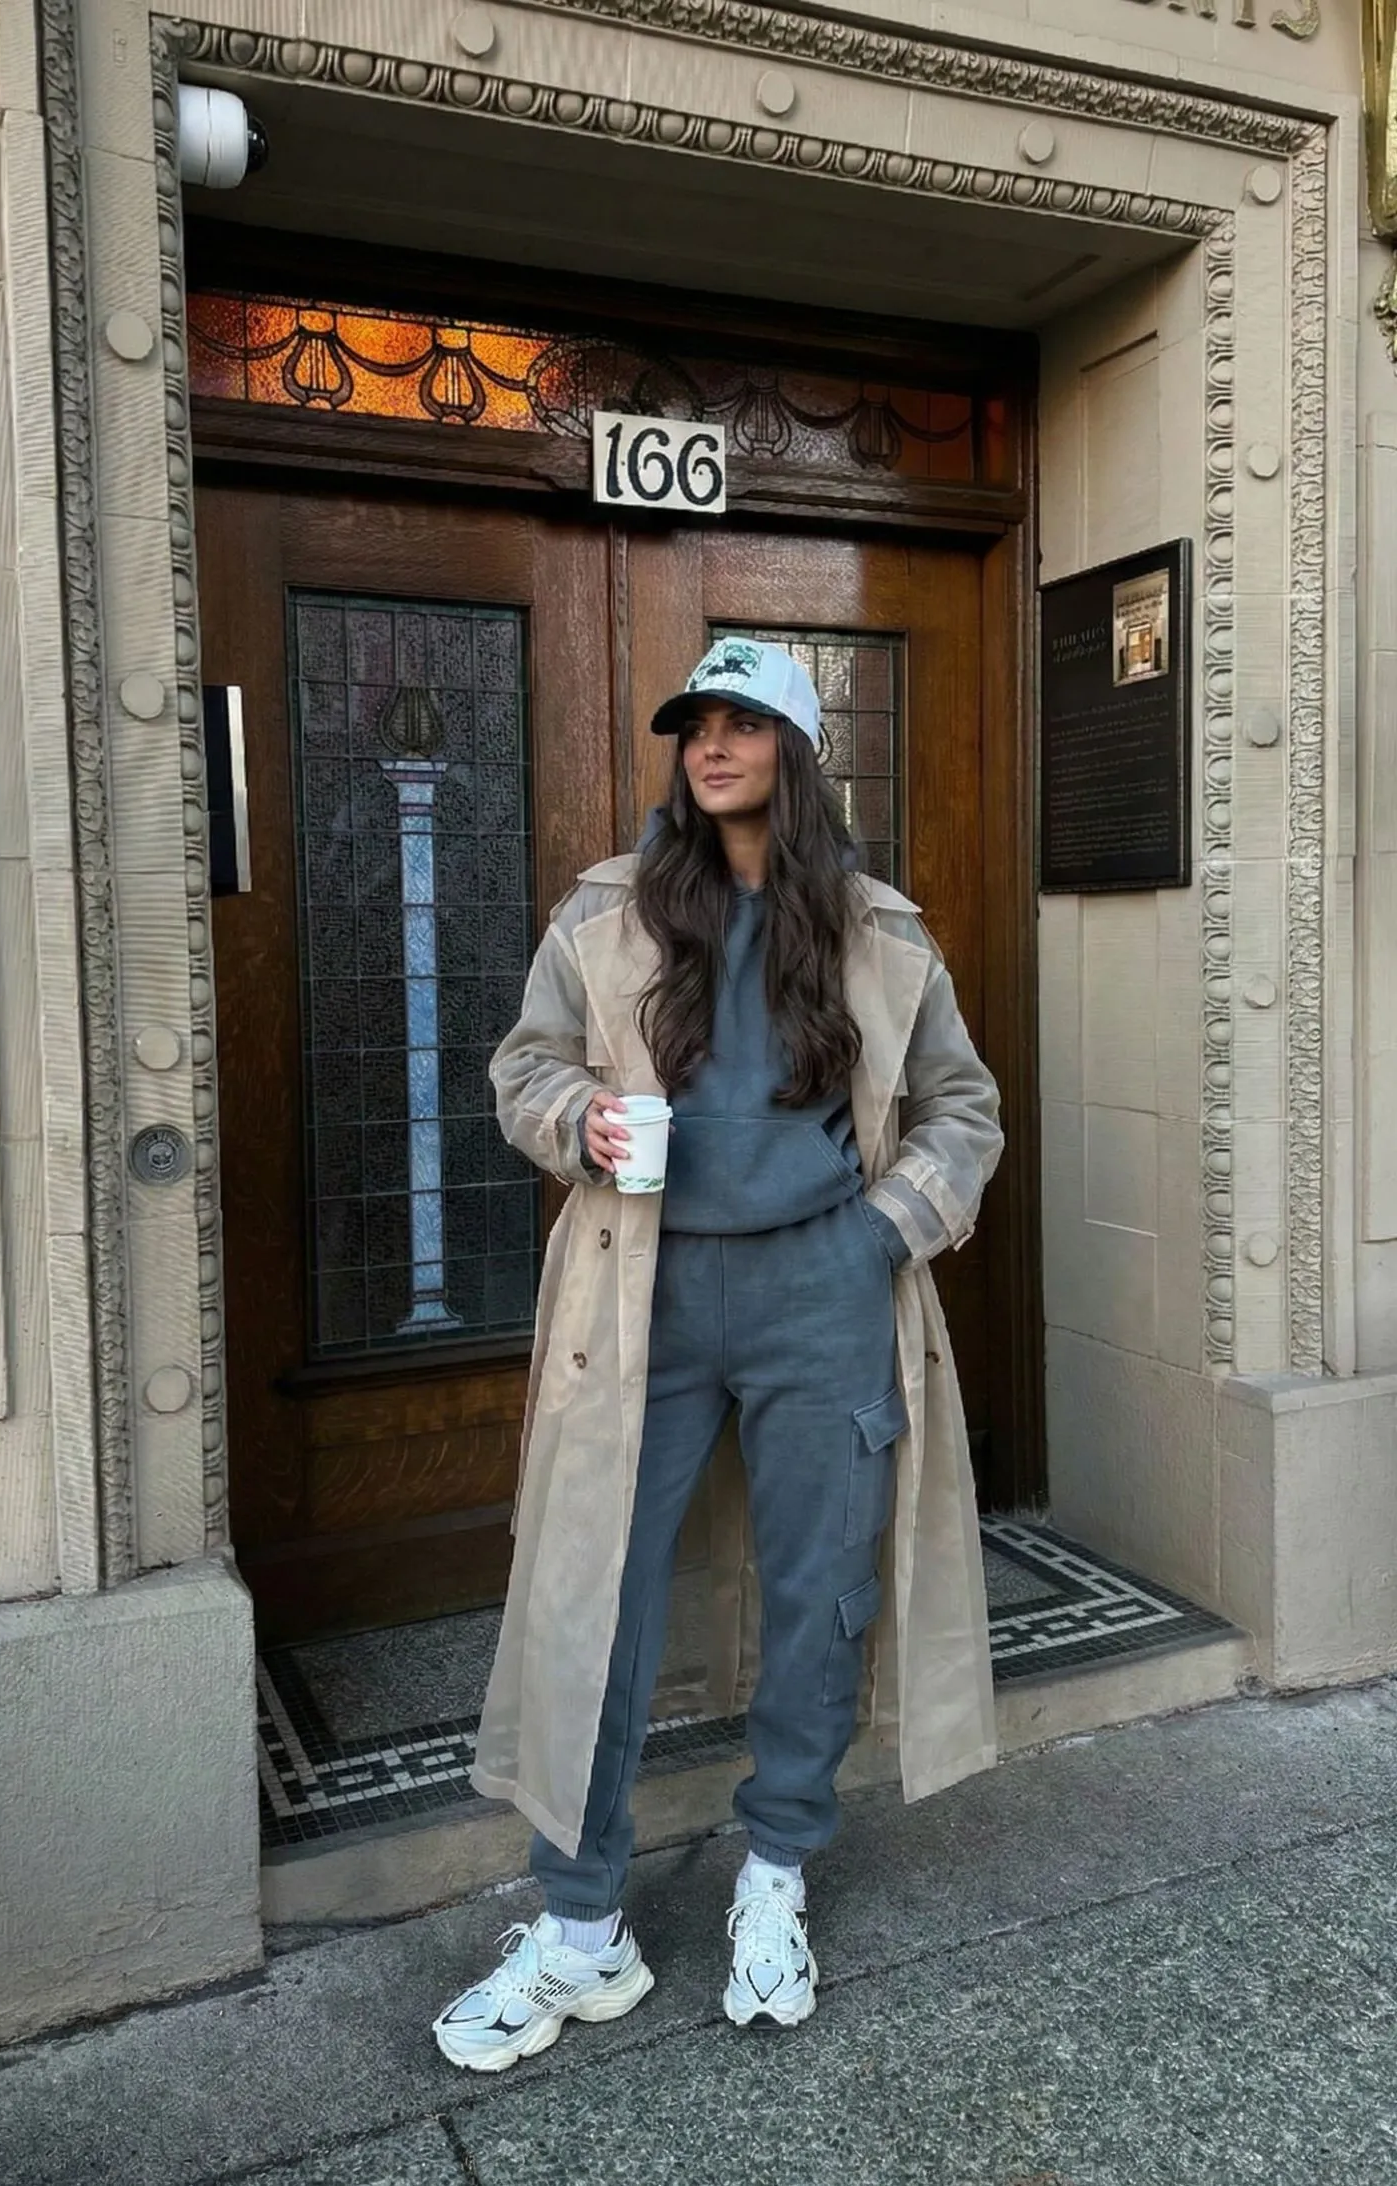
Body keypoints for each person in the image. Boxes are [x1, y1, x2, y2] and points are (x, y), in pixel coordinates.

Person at [432, 638, 1003, 2072]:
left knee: (821, 1588)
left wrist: (879, 1235)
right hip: (645, 1293)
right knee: (595, 1584)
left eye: (745, 722)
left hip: (828, 1288)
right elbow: (524, 1067)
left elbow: (963, 1111)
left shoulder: (880, 932)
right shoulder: (612, 914)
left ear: (797, 754)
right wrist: (582, 1123)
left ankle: (775, 1875)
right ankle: (581, 1925)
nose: (712, 743)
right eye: (697, 722)